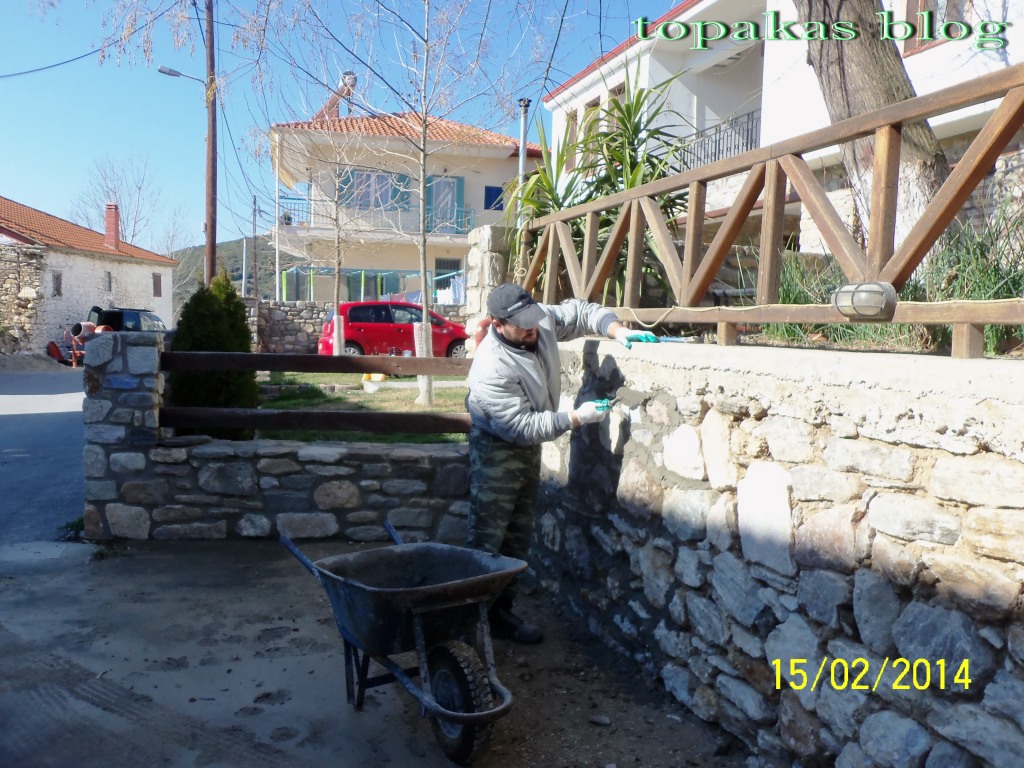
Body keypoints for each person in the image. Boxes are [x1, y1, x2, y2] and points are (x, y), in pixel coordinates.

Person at [465, 283, 658, 644]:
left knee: (518, 535)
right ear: (498, 324)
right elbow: (520, 427)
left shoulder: (538, 320)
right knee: (487, 538)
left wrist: (617, 330)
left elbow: (581, 312)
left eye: (532, 318)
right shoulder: (491, 367)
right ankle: (468, 624)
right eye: (521, 324)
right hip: (496, 450)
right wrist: (576, 418)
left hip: (527, 445)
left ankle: (500, 615)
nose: (532, 328)